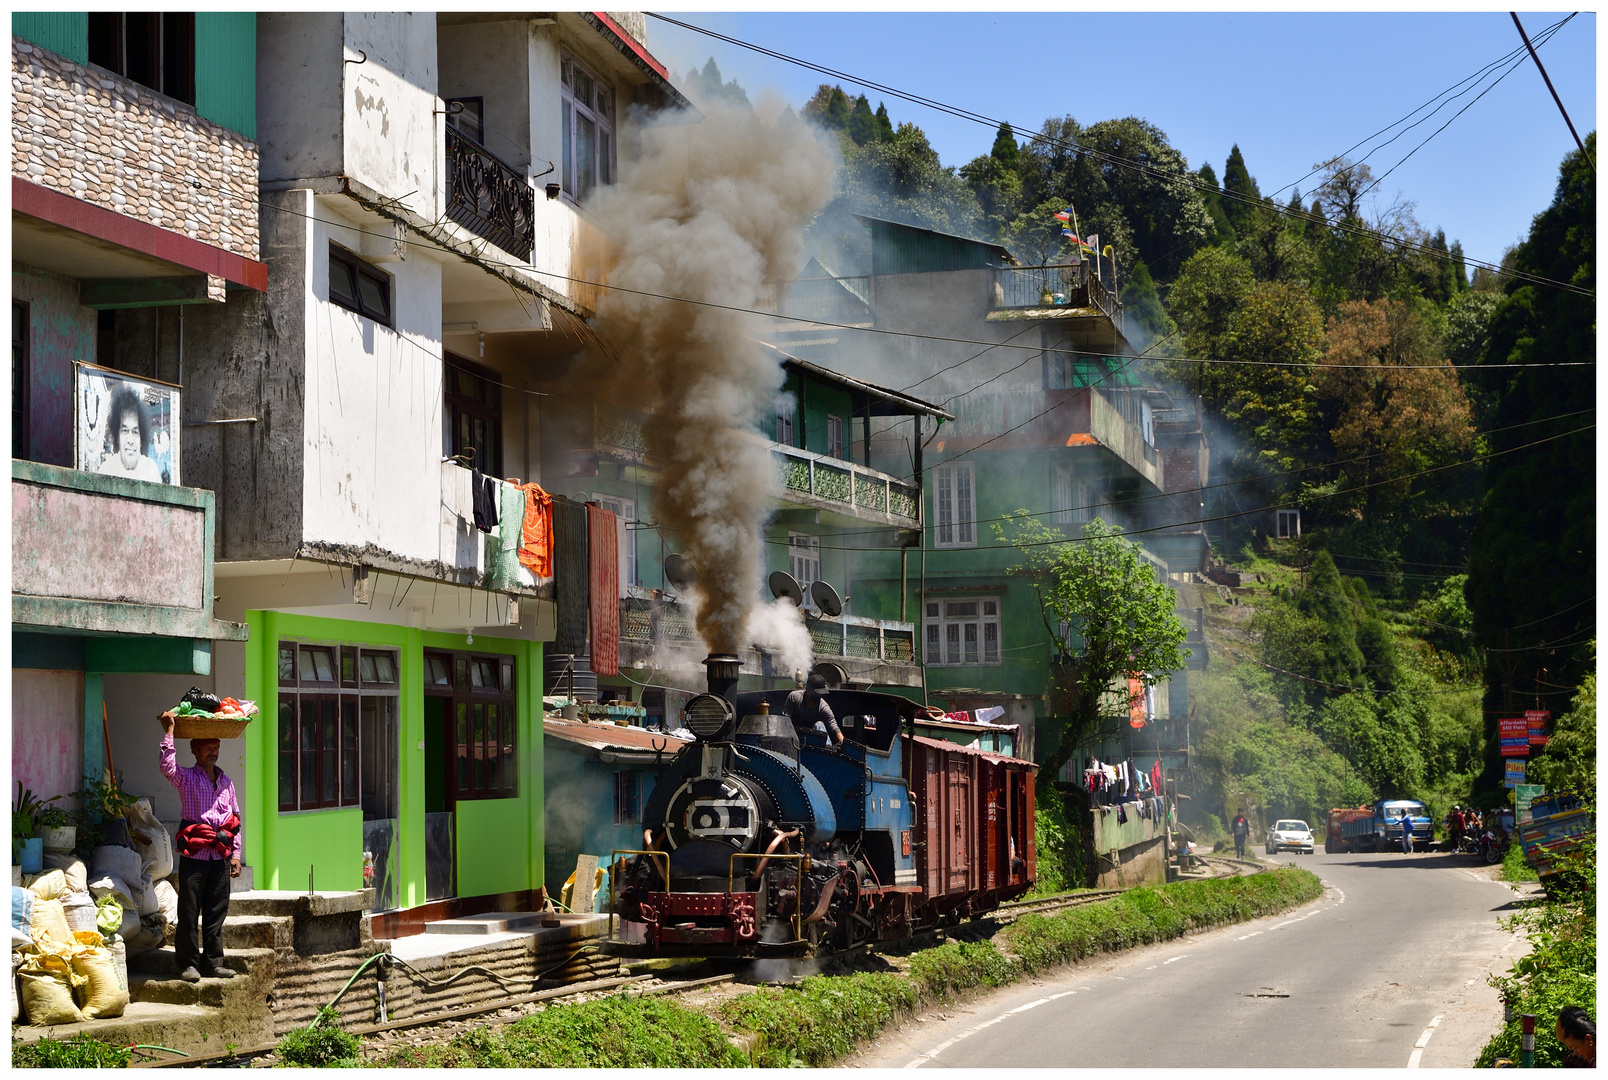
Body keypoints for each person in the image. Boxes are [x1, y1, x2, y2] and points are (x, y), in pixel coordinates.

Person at [159, 711, 242, 983]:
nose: (213, 752)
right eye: (207, 748)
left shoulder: (226, 782)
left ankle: (213, 963)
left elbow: (234, 820)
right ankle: (188, 964)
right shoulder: (187, 779)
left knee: (217, 911)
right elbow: (167, 767)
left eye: (216, 748)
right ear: (194, 750)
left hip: (219, 856)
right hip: (195, 855)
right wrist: (169, 731)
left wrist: (236, 854)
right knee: (189, 910)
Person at [97, 389, 164, 483]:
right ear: (117, 438)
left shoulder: (151, 469)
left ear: (141, 439)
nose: (130, 440)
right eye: (125, 431)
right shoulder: (107, 469)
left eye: (135, 432)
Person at [782, 673, 844, 746]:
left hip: (813, 742)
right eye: (817, 693)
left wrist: (843, 742)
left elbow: (833, 725)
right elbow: (785, 720)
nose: (819, 695)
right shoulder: (794, 697)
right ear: (808, 689)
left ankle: (827, 749)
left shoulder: (823, 707)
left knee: (819, 725)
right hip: (794, 736)